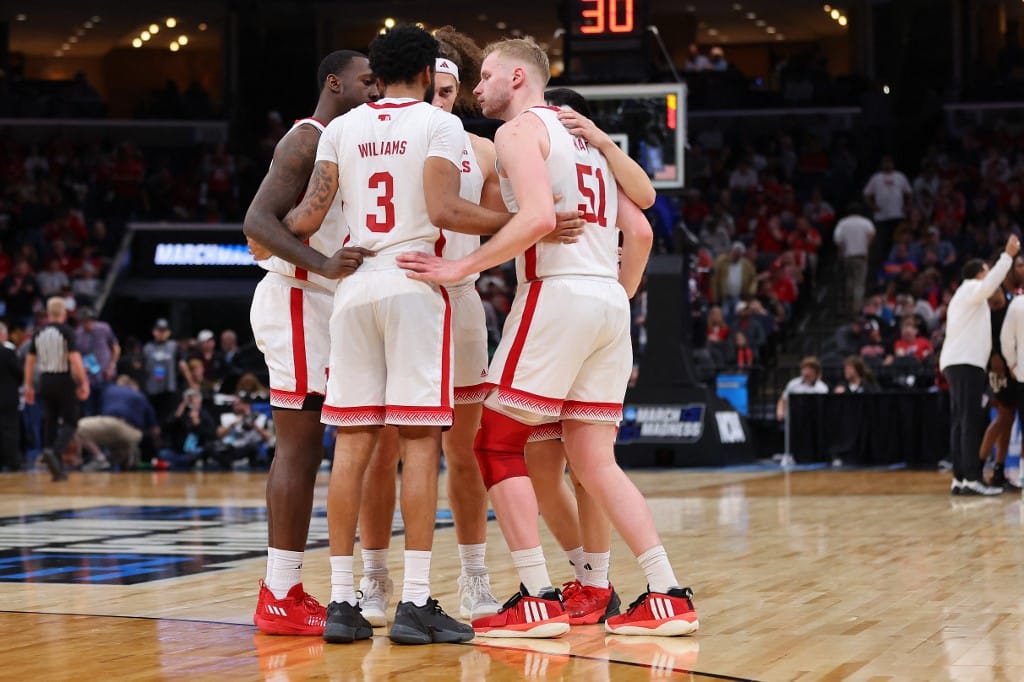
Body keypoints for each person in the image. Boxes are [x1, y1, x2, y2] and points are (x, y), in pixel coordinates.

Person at [398, 37, 697, 639]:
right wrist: (618, 296)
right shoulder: (585, 142)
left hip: (556, 291)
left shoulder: (517, 133)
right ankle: (666, 593)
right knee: (593, 459)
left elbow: (536, 219)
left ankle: (536, 595)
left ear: (516, 77)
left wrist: (461, 267)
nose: (478, 89)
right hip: (608, 301)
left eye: (484, 77)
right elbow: (641, 220)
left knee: (495, 444)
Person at [284, 25, 509, 646]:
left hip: (353, 288)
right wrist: (518, 221)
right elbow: (445, 212)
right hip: (415, 284)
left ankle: (340, 601)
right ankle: (414, 601)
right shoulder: (438, 126)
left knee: (352, 449)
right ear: (424, 73)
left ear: (376, 73)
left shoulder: (339, 128)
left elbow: (305, 217)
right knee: (419, 445)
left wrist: (264, 232)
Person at [243, 49, 380, 638]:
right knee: (299, 447)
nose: (375, 90)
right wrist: (323, 264)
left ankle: (300, 586)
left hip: (327, 301)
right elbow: (257, 222)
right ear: (334, 82)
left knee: (338, 446)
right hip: (298, 297)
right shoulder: (308, 136)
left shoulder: (350, 138)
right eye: (366, 80)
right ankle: (280, 591)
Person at [944, 234, 1019, 495]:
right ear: (979, 274)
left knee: (959, 421)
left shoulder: (963, 297)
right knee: (969, 421)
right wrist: (1007, 255)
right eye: (986, 272)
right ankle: (973, 479)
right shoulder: (971, 289)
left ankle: (960, 478)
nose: (990, 276)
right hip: (966, 363)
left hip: (956, 362)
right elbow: (990, 285)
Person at [23, 297, 90, 481]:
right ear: (64, 313)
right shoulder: (67, 332)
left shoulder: (38, 332)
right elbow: (75, 359)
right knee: (71, 422)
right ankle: (53, 452)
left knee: (50, 422)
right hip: (63, 379)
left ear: (48, 313)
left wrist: (28, 386)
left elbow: (29, 362)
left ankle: (57, 469)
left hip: (45, 380)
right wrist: (83, 382)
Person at [75, 307, 121, 417]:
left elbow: (116, 347)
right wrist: (81, 369)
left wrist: (112, 366)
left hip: (106, 375)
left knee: (107, 407)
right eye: (85, 321)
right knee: (89, 411)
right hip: (89, 378)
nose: (88, 324)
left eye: (90, 320)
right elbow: (75, 356)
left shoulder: (104, 328)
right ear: (81, 322)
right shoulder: (77, 335)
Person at [833, 204, 876, 317]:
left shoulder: (843, 223)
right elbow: (871, 233)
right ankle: (856, 309)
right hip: (861, 256)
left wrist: (841, 252)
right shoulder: (865, 222)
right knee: (859, 283)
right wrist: (867, 247)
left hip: (848, 256)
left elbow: (838, 239)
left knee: (849, 282)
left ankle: (849, 307)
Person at [775, 356, 829, 422]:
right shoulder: (793, 384)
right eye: (804, 368)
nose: (806, 371)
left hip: (813, 421)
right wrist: (780, 412)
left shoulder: (822, 387)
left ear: (815, 371)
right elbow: (783, 400)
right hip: (794, 420)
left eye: (809, 368)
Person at [0, 322, 22, 470]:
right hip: (8, 397)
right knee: (10, 430)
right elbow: (19, 373)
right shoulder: (7, 352)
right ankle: (12, 461)